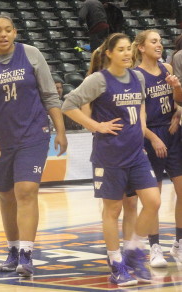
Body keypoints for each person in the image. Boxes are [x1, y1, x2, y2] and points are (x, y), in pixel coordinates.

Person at [0, 15, 67, 277]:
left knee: (26, 190)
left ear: (15, 32)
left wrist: (60, 129)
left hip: (32, 134)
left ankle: (26, 253)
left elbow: (49, 94)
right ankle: (12, 250)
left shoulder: (32, 54)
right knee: (6, 195)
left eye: (8, 30)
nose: (3, 35)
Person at [62, 33, 161, 286]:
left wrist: (140, 130)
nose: (127, 54)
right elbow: (69, 104)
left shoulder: (137, 77)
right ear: (109, 53)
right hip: (110, 156)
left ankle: (133, 251)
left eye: (129, 49)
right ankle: (117, 264)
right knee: (113, 210)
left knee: (153, 201)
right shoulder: (98, 80)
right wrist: (96, 126)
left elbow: (139, 106)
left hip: (136, 153)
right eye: (121, 50)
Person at [130, 30, 182, 267]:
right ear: (141, 47)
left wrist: (177, 96)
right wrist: (152, 138)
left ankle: (179, 244)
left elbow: (178, 101)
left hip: (173, 134)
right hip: (151, 137)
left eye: (160, 42)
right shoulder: (136, 76)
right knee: (154, 199)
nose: (159, 45)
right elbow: (137, 119)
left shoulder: (167, 70)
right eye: (154, 42)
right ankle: (154, 247)